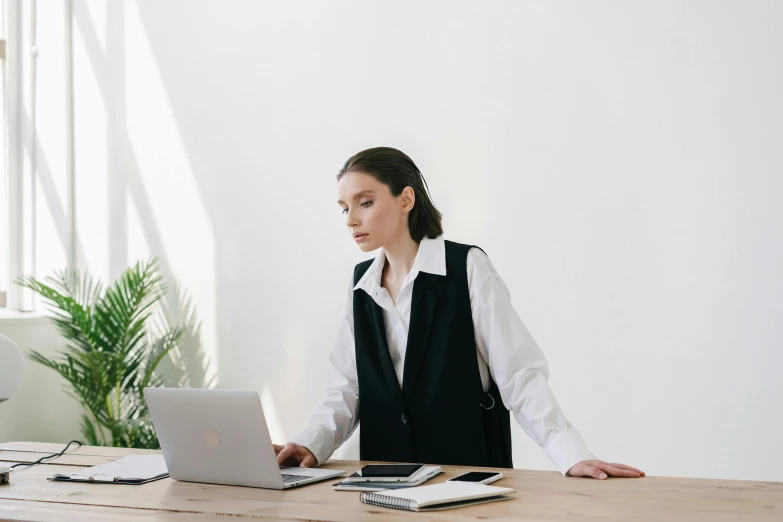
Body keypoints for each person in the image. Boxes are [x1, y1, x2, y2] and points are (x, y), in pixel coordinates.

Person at [274, 147, 644, 480]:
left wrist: (570, 455)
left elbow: (518, 374)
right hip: (384, 484)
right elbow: (346, 389)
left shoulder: (467, 267)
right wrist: (310, 444)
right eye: (344, 208)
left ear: (406, 199)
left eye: (364, 202)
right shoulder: (361, 285)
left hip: (468, 481)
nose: (350, 219)